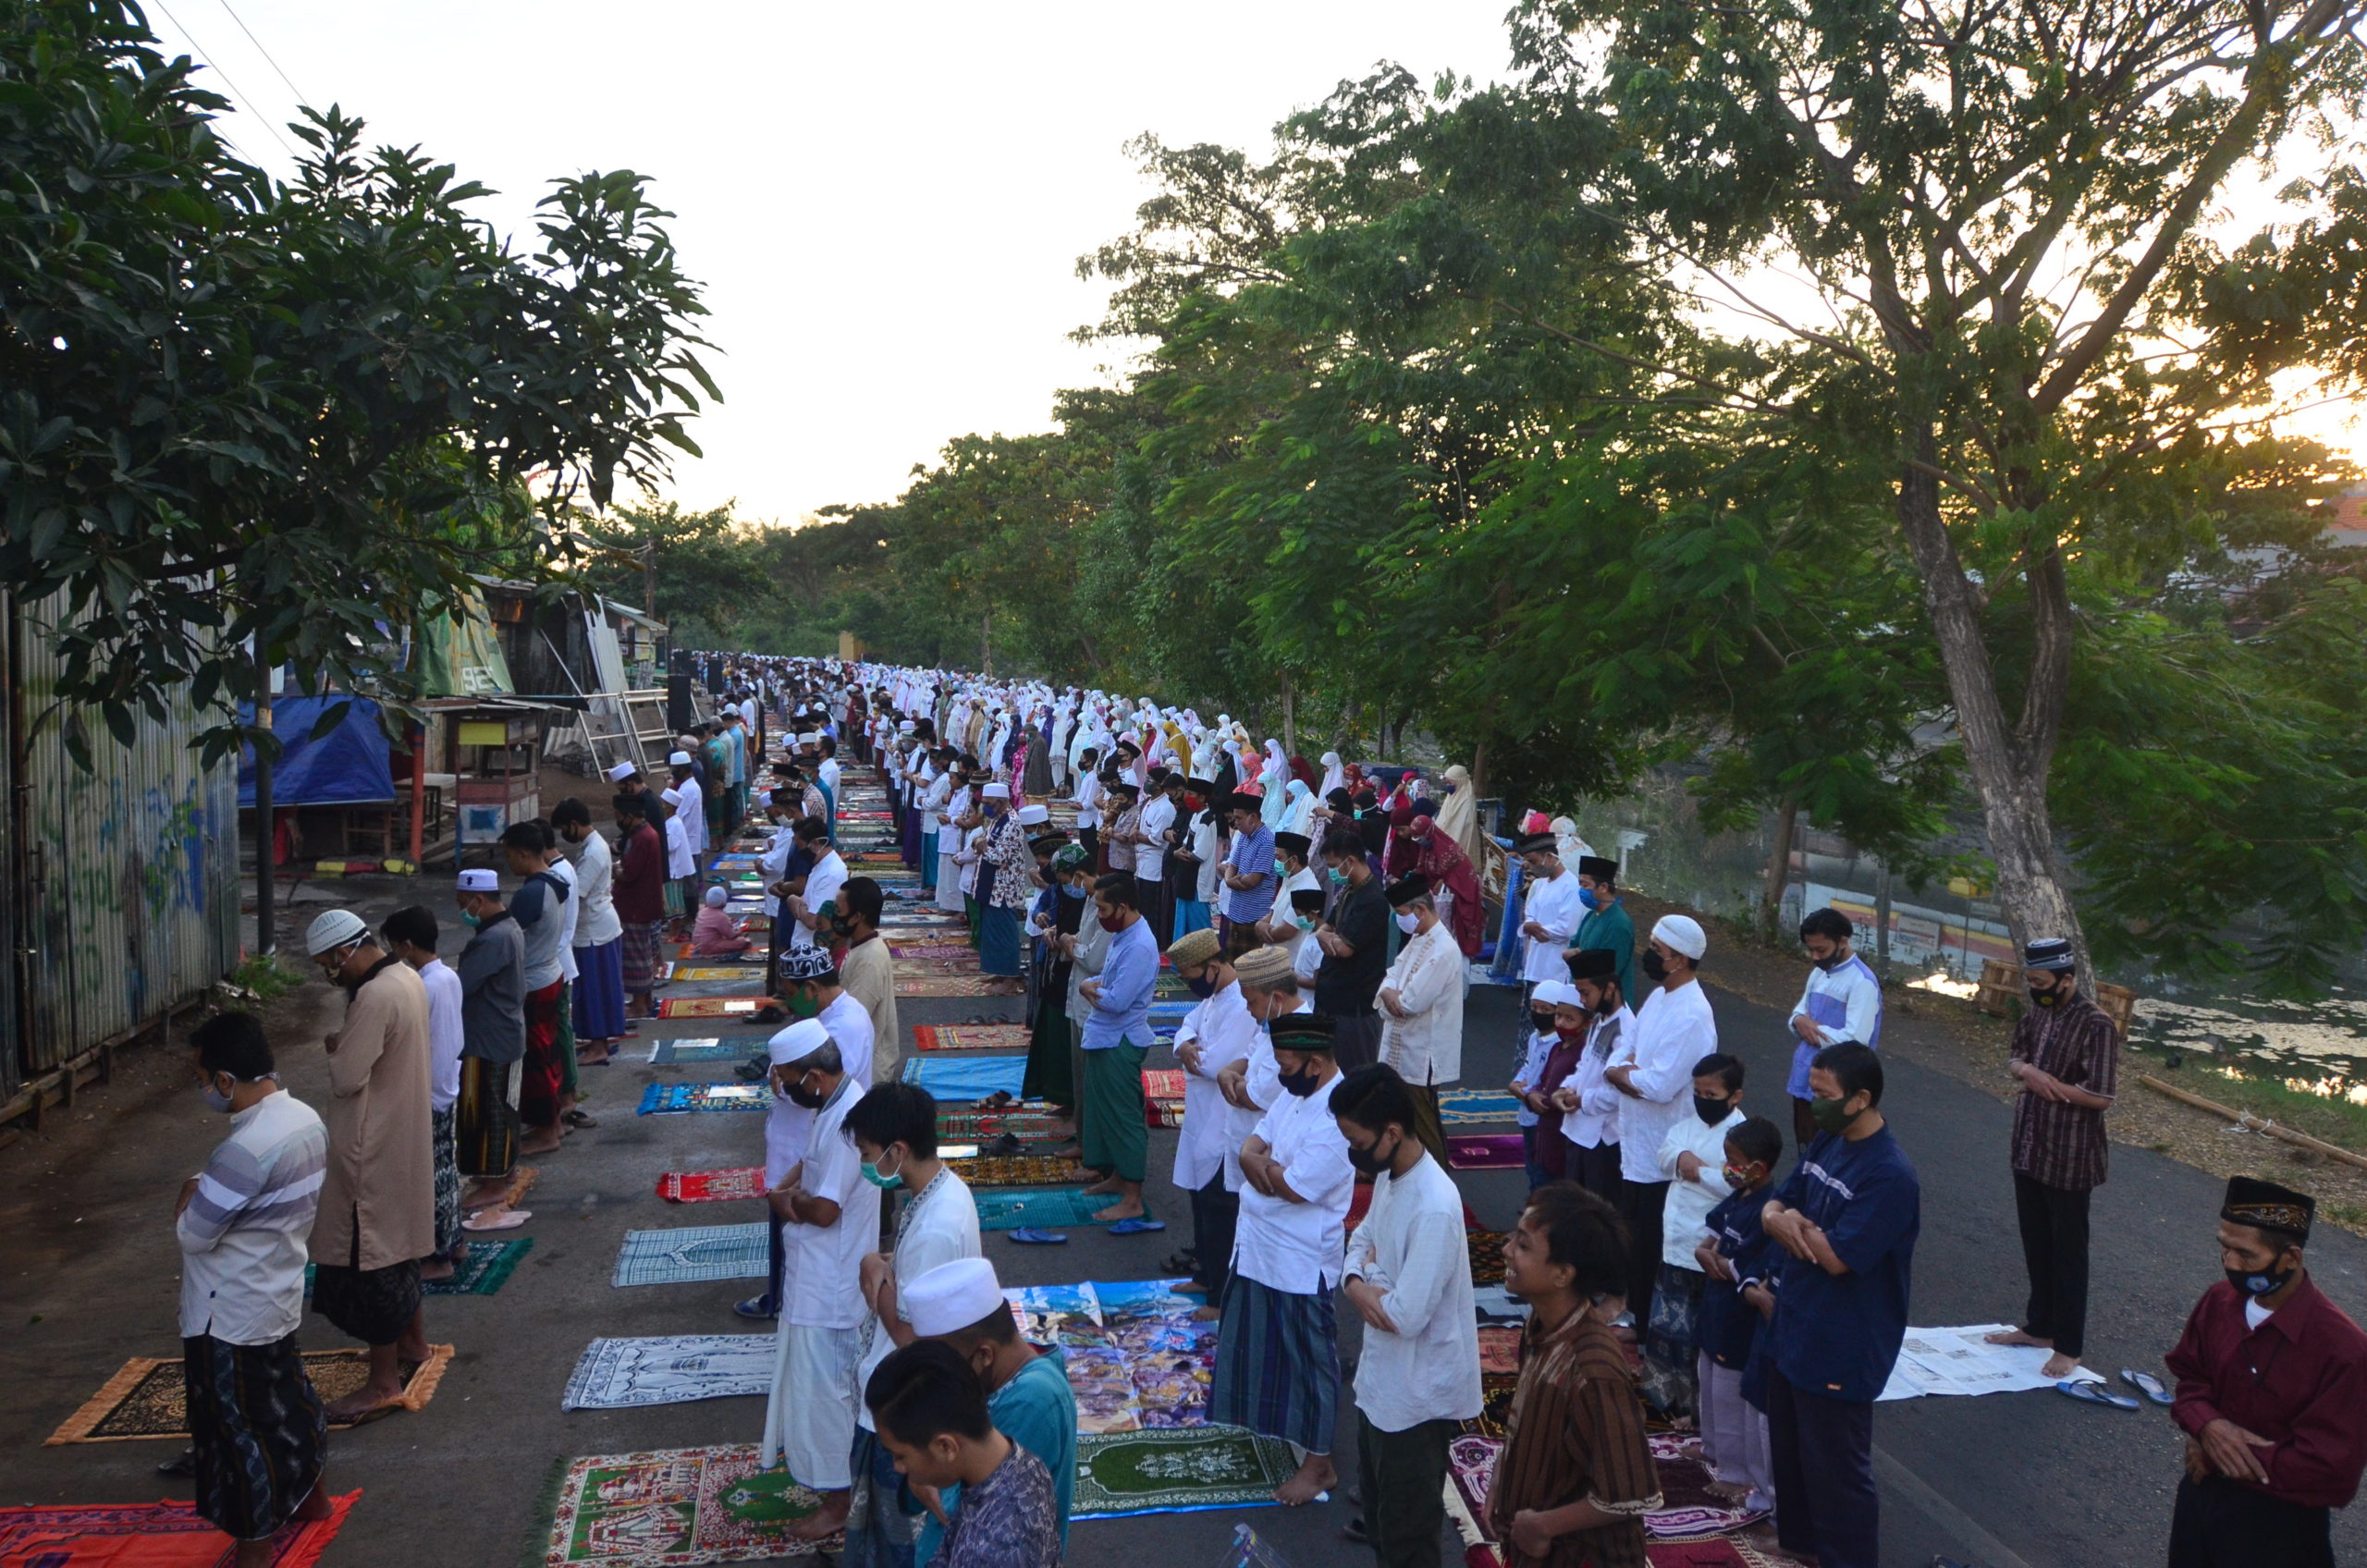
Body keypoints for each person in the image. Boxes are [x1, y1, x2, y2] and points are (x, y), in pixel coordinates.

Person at [177, 1011, 335, 1567]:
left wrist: (188, 1195)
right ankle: (312, 1499)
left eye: (201, 1079)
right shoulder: (304, 1117)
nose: (202, 1090)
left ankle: (254, 1548)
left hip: (229, 1310)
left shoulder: (242, 1150)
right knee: (285, 1404)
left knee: (234, 1431)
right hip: (276, 1290)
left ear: (225, 1080)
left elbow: (194, 1234)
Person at [1759, 1043, 1920, 1568]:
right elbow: (1777, 1203)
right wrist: (1783, 1220)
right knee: (1791, 1448)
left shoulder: (1890, 1175)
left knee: (1836, 1469)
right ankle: (1799, 1547)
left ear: (1860, 1099)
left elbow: (1836, 1258)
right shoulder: (1828, 1140)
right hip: (1796, 1323)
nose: (1812, 1102)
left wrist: (1788, 1223)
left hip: (1843, 1342)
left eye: (1823, 1094)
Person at [2165, 1177, 2367, 1568]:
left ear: (2291, 1258)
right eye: (2223, 1247)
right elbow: (2190, 1375)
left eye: (2246, 1255)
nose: (2230, 1264)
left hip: (2279, 1531)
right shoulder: (2219, 1301)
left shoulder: (2345, 1351)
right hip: (2200, 1503)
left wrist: (2216, 1456)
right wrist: (2208, 1425)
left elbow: (2331, 1471)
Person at [1333, 1064, 1481, 1568]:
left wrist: (1367, 1279)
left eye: (1355, 1140)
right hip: (1381, 1386)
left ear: (1392, 1132)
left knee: (1408, 1539)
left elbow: (1405, 1316)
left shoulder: (1435, 1205)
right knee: (1378, 1520)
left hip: (1418, 1397)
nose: (1351, 1152)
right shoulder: (1389, 1175)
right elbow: (1358, 1242)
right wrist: (1360, 1282)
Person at [1211, 1011, 1355, 1506]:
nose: (1280, 1074)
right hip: (1260, 1243)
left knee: (1309, 1358)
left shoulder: (1339, 1113)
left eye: (1287, 1065)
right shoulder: (1297, 1095)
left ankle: (1321, 1467)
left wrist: (1259, 1164)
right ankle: (1282, 1427)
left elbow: (1294, 1188)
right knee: (1266, 1345)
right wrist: (1260, 1163)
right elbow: (1256, 1143)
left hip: (1300, 1256)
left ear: (1315, 1064)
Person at [300, 908, 435, 1423]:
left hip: (371, 1143)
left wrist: (337, 1048)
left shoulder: (375, 995)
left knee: (371, 1258)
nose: (328, 976)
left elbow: (347, 1076)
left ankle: (382, 1383)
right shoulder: (406, 975)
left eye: (326, 966)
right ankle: (413, 1344)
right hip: (402, 1132)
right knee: (401, 1247)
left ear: (343, 953)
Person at [1484, 1182, 1662, 1568]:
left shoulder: (1593, 1368)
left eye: (1524, 1246)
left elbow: (1627, 1493)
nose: (1506, 1249)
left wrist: (1542, 1525)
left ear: (1563, 1274)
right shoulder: (1542, 1325)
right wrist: (1503, 1473)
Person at [847, 1084, 983, 1568]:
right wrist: (889, 1262)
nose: (866, 1164)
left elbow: (911, 1334)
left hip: (909, 1397)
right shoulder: (945, 1190)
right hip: (916, 1393)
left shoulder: (934, 1226)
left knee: (899, 1537)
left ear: (897, 1150)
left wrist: (874, 1274)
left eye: (868, 1153)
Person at [760, 1023, 885, 1543]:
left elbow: (827, 1209)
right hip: (821, 1274)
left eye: (787, 1078)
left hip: (830, 1282)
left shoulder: (844, 1125)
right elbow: (807, 1173)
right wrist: (787, 1185)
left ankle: (839, 1502)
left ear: (812, 1075)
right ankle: (840, 1491)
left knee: (827, 1395)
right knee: (823, 1388)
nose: (782, 1087)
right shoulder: (836, 1103)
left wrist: (783, 1203)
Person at [1981, 937, 2119, 1381]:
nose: (2036, 989)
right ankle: (2039, 1327)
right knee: (2035, 1241)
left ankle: (2068, 1345)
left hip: (2070, 1154)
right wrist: (2026, 1072)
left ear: (2066, 979)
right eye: (2031, 981)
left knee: (2068, 1252)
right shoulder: (2037, 1012)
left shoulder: (2097, 1025)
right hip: (2029, 1144)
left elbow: (2100, 1097)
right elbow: (2015, 1057)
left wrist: (2050, 1086)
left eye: (2043, 982)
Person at [906, 1257, 1078, 1562]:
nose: (936, 1381)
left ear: (984, 1355)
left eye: (942, 1368)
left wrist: (922, 1474)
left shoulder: (1031, 1403)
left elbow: (969, 1507)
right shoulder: (1001, 1376)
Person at [865, 1341, 1064, 1568]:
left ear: (946, 1447)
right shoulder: (1023, 1462)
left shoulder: (991, 1549)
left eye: (900, 1456)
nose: (898, 1467)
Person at [1607, 914, 1714, 1324]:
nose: (1649, 956)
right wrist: (1625, 1071)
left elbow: (1660, 1086)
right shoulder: (1658, 997)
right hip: (1635, 1140)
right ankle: (1634, 1312)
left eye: (1657, 950)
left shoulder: (1692, 1014)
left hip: (1663, 1148)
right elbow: (1623, 1048)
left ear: (1681, 959)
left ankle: (1647, 1323)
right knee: (1633, 1235)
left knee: (1652, 1241)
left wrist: (1623, 1074)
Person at [1641, 1052, 1745, 1419]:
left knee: (1696, 1336)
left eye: (1712, 1095)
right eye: (1698, 1092)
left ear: (1735, 1097)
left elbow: (1737, 1183)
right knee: (1667, 1328)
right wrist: (1684, 1159)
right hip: (1674, 1244)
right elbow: (1665, 1155)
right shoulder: (1685, 1128)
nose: (1703, 1101)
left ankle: (1696, 1408)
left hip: (1706, 1249)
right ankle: (1662, 1397)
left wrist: (1696, 1172)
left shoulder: (1742, 1136)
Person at [1693, 1115, 1783, 1520]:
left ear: (1758, 1167)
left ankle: (1734, 1470)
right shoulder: (1740, 1197)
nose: (1727, 1168)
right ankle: (1711, 1446)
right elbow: (1712, 1234)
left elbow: (1751, 1267)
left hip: (1738, 1316)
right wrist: (1704, 1251)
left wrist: (1722, 1263)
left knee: (1729, 1393)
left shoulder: (1768, 1209)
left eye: (1733, 1160)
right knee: (1707, 1379)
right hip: (1716, 1307)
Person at [1167, 928, 1256, 1312]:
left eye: (1190, 978)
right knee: (1199, 1197)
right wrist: (1186, 1044)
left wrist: (1192, 1054)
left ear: (1213, 967)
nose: (1190, 987)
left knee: (1220, 1206)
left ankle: (1220, 1295)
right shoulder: (1215, 998)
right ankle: (1204, 1276)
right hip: (1201, 1112)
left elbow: (1216, 1065)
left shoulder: (1241, 1005)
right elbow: (1186, 1028)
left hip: (1224, 1117)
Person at [380, 905, 465, 1280]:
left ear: (407, 946)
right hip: (447, 1082)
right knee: (445, 1168)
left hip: (428, 1089)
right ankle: (455, 1240)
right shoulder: (447, 976)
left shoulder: (421, 987)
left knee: (430, 1175)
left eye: (394, 946)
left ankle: (438, 1254)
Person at [1075, 873, 1158, 1222]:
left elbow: (1118, 1000)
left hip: (1119, 1039)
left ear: (1123, 907)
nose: (1100, 914)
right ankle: (1118, 1177)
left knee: (1124, 1118)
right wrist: (1094, 986)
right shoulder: (1125, 933)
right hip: (1105, 1036)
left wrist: (1088, 990)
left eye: (1104, 908)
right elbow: (1108, 981)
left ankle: (1133, 1197)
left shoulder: (1139, 944)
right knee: (1105, 1112)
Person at [452, 868, 528, 1227]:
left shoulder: (493, 939)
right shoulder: (507, 928)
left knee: (489, 1110)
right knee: (501, 1106)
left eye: (463, 903)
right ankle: (500, 1171)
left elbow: (461, 986)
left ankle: (496, 1182)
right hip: (503, 1031)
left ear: (478, 901)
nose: (462, 910)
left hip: (489, 1037)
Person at [1375, 875, 1463, 1160]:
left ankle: (1442, 1189)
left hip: (1422, 1055)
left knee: (1424, 1128)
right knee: (1401, 1122)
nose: (1400, 920)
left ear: (1420, 910)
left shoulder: (1444, 949)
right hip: (1401, 1047)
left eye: (1402, 914)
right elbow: (1389, 979)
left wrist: (1391, 995)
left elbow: (1410, 1003)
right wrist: (1391, 995)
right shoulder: (1417, 940)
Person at [499, 820, 571, 1158]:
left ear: (525, 853)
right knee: (548, 1054)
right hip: (550, 972)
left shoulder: (531, 893)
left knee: (537, 1060)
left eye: (510, 856)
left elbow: (508, 938)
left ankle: (546, 1130)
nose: (508, 863)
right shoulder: (555, 880)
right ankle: (552, 1121)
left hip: (535, 981)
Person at [1784, 908, 1883, 1147]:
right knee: (1804, 1147)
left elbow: (1855, 1042)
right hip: (1806, 1079)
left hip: (1837, 1091)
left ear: (1843, 942)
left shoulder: (1862, 983)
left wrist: (1810, 1029)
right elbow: (1797, 1014)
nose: (1815, 957)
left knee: (1828, 1153)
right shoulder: (1818, 973)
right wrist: (1800, 1022)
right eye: (1811, 950)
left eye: (1822, 950)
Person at [1546, 957, 1627, 1199]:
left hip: (1602, 1140)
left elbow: (1618, 1093)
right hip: (1579, 1131)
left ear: (1609, 989)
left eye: (1585, 992)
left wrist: (1581, 1100)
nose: (1582, 1000)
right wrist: (1566, 1089)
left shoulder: (1627, 1030)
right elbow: (1585, 1066)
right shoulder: (1599, 1021)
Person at [555, 797, 626, 1066]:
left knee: (595, 990)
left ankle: (599, 1046)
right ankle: (598, 1041)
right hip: (596, 926)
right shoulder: (592, 846)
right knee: (597, 989)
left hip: (595, 929)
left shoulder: (594, 851)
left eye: (564, 827)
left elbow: (578, 893)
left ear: (574, 824)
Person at [1314, 827, 1390, 1071]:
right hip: (1332, 999)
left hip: (1354, 1007)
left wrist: (1331, 939)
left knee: (1352, 1079)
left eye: (1334, 864)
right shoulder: (1349, 890)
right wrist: (1330, 938)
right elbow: (1324, 929)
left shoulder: (1372, 899)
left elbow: (1345, 949)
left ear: (1351, 861)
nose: (1331, 871)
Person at [836, 876, 902, 1086]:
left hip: (867, 1070)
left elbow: (852, 1020)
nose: (833, 916)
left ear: (857, 917)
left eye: (838, 910)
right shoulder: (861, 946)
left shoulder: (869, 959)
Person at [611, 792, 668, 1019]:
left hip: (636, 905)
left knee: (636, 958)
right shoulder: (645, 833)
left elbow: (630, 873)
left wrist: (616, 870)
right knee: (643, 955)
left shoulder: (642, 837)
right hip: (641, 903)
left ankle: (639, 1005)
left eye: (618, 816)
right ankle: (644, 999)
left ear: (629, 816)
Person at [1515, 831, 1586, 1011]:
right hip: (1534, 965)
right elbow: (1530, 914)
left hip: (1554, 968)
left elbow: (1566, 929)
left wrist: (1535, 929)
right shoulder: (1541, 884)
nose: (1531, 867)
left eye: (1533, 861)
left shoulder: (1571, 886)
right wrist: (1529, 926)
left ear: (1549, 856)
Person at [977, 786, 1033, 997]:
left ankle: (1010, 978)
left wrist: (983, 847)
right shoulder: (997, 819)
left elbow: (999, 857)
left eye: (989, 804)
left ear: (1001, 802)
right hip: (992, 885)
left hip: (1005, 888)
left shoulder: (1011, 823)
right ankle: (999, 972)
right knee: (992, 932)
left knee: (1005, 933)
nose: (986, 808)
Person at [1510, 983, 1564, 1191]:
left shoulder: (1558, 1043)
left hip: (1543, 1117)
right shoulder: (1535, 1037)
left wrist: (1523, 1090)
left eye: (1546, 1010)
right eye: (1535, 1008)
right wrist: (1516, 1083)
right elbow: (1528, 1065)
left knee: (1544, 1171)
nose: (1539, 1014)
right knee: (1532, 1167)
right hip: (1527, 1114)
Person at [1564, 856, 1635, 1006]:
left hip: (1607, 1004)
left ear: (1603, 887)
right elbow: (1574, 945)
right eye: (1580, 885)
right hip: (1584, 998)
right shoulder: (1591, 915)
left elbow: (1611, 970)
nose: (1581, 891)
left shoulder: (1618, 924)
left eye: (1585, 885)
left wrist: (1578, 957)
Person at [1218, 793, 1276, 947]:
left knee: (1250, 967)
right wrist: (1231, 880)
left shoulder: (1267, 841)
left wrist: (1230, 880)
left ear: (1253, 817)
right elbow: (1232, 866)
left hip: (1255, 916)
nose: (1235, 823)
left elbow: (1252, 881)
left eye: (1239, 818)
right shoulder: (1244, 836)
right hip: (1236, 911)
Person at [694, 884, 753, 954]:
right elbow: (731, 936)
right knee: (742, 941)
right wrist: (739, 932)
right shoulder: (721, 916)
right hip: (709, 946)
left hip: (698, 944)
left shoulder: (702, 912)